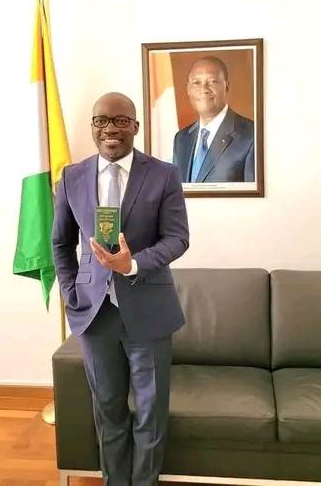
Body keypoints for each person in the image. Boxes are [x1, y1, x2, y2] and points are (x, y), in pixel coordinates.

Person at [52, 92, 189, 486]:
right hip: (94, 315)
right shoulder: (72, 177)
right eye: (101, 121)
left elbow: (178, 238)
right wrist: (71, 294)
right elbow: (61, 243)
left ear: (135, 126)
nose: (110, 129)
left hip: (149, 310)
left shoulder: (163, 174)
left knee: (150, 412)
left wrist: (132, 264)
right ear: (93, 127)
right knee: (108, 409)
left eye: (120, 120)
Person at [173, 56, 255, 183]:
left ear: (226, 86)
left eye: (212, 81)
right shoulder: (181, 139)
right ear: (188, 89)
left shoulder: (251, 135)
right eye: (196, 82)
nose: (204, 89)